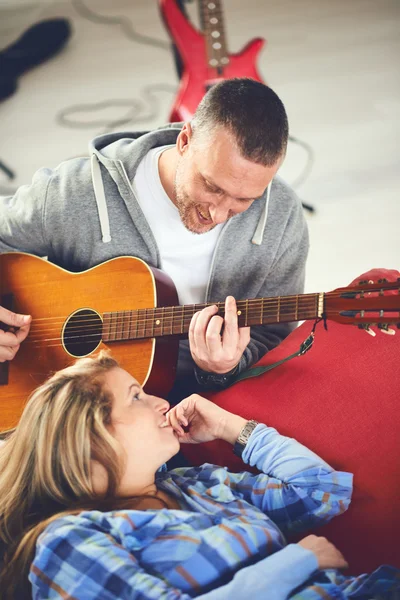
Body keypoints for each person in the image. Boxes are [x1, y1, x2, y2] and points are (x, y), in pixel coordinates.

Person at [0, 78, 309, 399]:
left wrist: (225, 367)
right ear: (185, 140)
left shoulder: (282, 216)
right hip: (73, 405)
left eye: (244, 200)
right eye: (212, 186)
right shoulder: (76, 193)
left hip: (206, 401)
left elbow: (274, 339)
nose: (218, 214)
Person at [0, 351, 399, 599]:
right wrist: (298, 561)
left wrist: (231, 428)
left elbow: (321, 492)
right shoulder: (68, 542)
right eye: (136, 396)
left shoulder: (200, 484)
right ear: (88, 438)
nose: (161, 402)